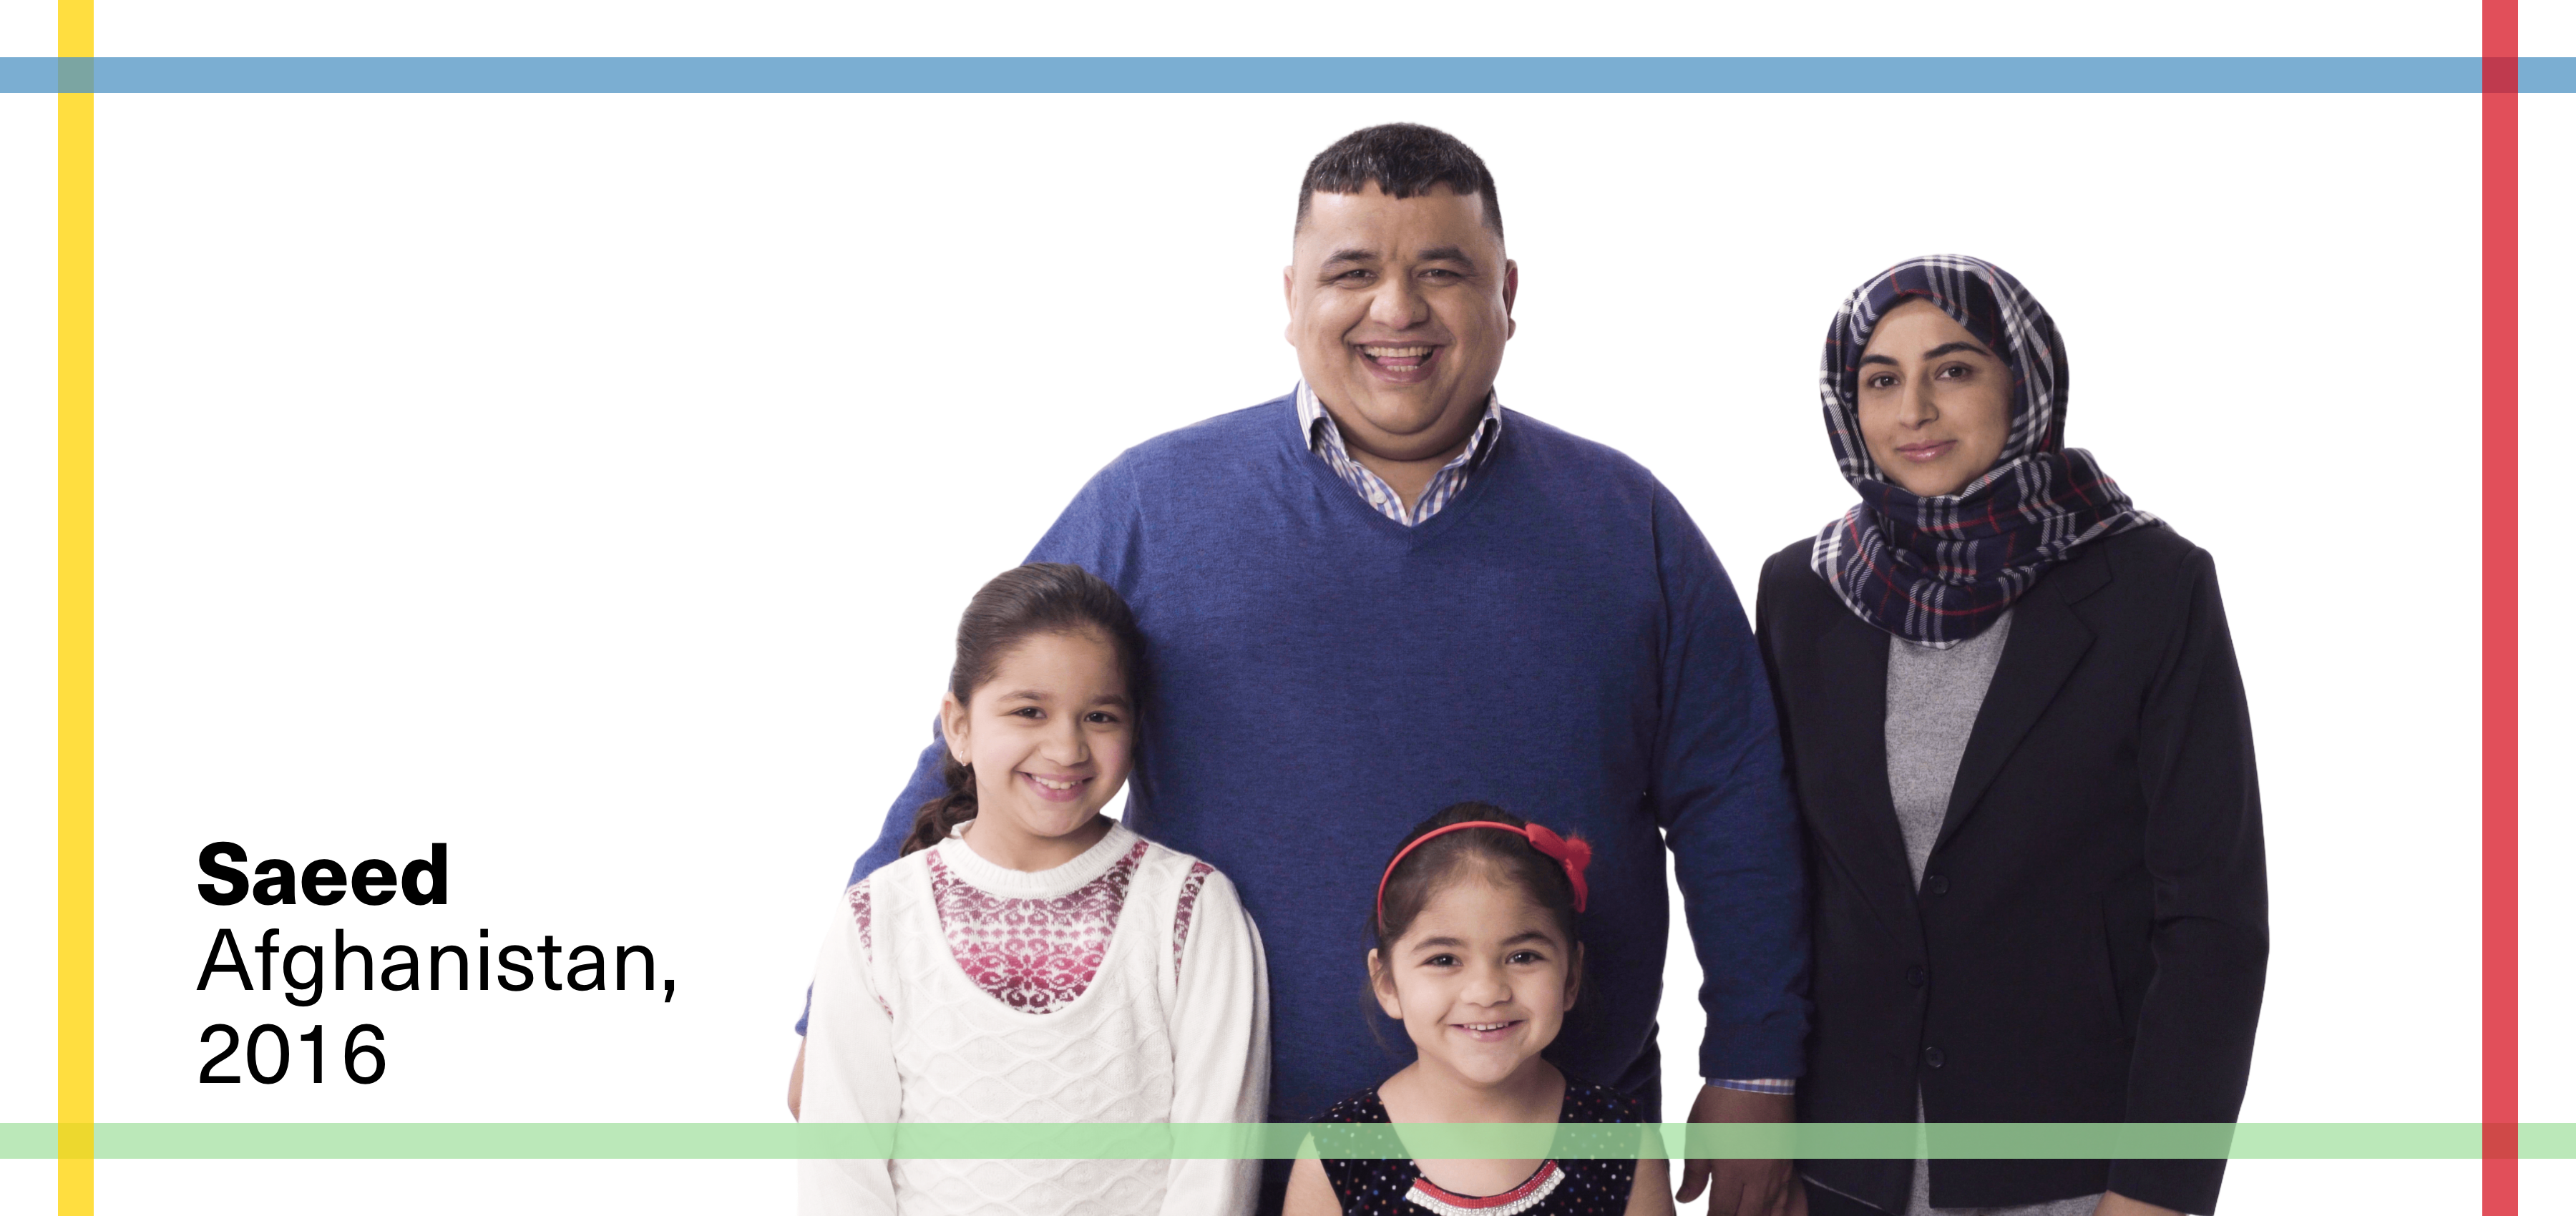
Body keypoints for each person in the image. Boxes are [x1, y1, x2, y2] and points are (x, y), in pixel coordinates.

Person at [792, 123, 1810, 1216]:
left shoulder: (1629, 523)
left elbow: (1736, 806)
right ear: (1290, 296)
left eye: (1442, 271)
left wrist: (1756, 1066)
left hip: (1556, 1153)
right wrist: (842, 1013)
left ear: (1509, 291)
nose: (1397, 310)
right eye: (1353, 272)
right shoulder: (1151, 507)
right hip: (1223, 1147)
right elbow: (996, 740)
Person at [1752, 256, 2268, 1216]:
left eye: (1952, 370)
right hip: (1837, 1169)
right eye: (1880, 379)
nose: (1914, 409)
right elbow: (1778, 880)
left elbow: (2213, 922)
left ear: (2024, 385)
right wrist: (1762, 1094)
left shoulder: (2154, 588)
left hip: (2070, 1170)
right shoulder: (1800, 592)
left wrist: (2162, 1188)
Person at [798, 562, 1270, 1215]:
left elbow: (1215, 1171)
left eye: (1100, 716)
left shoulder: (1188, 910)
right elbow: (841, 1176)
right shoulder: (880, 917)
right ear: (959, 726)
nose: (1066, 747)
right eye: (1029, 711)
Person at [1285, 803, 1676, 1216]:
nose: (1487, 992)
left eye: (1523, 956)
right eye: (1443, 960)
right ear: (1387, 983)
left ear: (1571, 977)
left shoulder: (1620, 1141)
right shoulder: (1338, 1153)